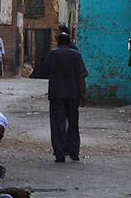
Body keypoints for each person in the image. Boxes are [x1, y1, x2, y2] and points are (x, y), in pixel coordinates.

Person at [31, 28, 88, 163]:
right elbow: (81, 77)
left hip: (56, 94)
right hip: (73, 95)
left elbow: (44, 72)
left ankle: (59, 153)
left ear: (58, 41)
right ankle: (74, 152)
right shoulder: (76, 55)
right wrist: (83, 95)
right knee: (73, 123)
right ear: (69, 42)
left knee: (58, 124)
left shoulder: (52, 54)